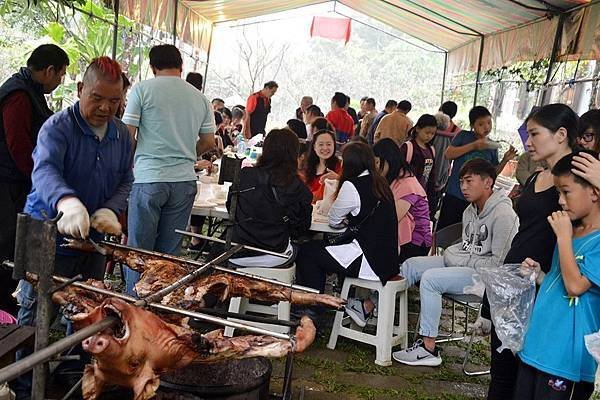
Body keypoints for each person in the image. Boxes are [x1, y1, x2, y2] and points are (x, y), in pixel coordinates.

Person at [14, 56, 133, 399]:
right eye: (97, 98)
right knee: (37, 311)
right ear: (81, 89)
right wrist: (67, 202)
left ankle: (71, 373)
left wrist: (111, 208)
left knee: (85, 310)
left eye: (115, 101)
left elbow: (126, 179)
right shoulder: (57, 127)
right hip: (48, 233)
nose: (105, 108)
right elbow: (44, 171)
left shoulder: (121, 136)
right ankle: (26, 385)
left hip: (92, 240)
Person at [485, 103, 579, 400]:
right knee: (501, 371)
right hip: (513, 279)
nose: (527, 142)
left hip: (542, 285)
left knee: (525, 380)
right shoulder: (537, 176)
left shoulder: (577, 179)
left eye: (535, 134)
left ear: (561, 134)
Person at [393, 158, 518, 367]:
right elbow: (464, 247)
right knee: (411, 264)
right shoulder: (470, 210)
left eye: (469, 181)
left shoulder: (504, 214)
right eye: (461, 182)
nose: (463, 187)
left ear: (488, 183)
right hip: (465, 265)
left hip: (485, 279)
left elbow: (499, 264)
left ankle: (428, 348)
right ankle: (373, 309)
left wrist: (459, 258)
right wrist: (458, 257)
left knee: (431, 279)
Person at [121, 44, 215, 295]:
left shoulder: (142, 90)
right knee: (169, 255)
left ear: (152, 67)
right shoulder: (199, 97)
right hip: (184, 181)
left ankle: (135, 306)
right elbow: (208, 141)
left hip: (148, 178)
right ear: (181, 66)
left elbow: (127, 136)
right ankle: (160, 308)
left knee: (139, 252)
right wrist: (186, 154)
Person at [514, 150, 600, 400]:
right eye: (557, 193)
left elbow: (575, 286)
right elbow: (560, 278)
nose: (561, 201)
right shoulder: (572, 231)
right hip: (538, 345)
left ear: (594, 192)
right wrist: (540, 276)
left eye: (566, 192)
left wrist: (563, 238)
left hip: (566, 361)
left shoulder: (588, 239)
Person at [295, 142, 400, 322]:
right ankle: (317, 305)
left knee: (307, 252)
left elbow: (334, 220)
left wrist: (346, 219)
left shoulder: (352, 185)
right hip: (387, 259)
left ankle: (313, 310)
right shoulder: (380, 182)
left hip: (368, 259)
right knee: (317, 250)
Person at [0, 44, 69, 316]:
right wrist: (40, 179)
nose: (59, 80)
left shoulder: (31, 92)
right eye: (60, 74)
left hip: (16, 180)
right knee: (6, 243)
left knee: (13, 242)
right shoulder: (18, 94)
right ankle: (3, 305)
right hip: (7, 181)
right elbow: (18, 144)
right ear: (49, 70)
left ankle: (5, 300)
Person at [227, 128, 312, 268]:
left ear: (265, 150)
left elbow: (231, 207)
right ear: (294, 154)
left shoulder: (245, 175)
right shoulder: (298, 187)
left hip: (237, 252)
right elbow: (303, 227)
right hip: (275, 255)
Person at [436, 106, 516, 231]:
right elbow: (448, 154)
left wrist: (505, 160)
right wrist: (474, 146)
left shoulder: (492, 146)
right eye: (481, 124)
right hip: (455, 194)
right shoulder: (463, 136)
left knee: (466, 233)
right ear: (473, 125)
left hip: (477, 200)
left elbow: (492, 174)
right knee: (444, 230)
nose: (486, 127)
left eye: (489, 122)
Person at [375, 138, 431, 262]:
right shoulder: (395, 178)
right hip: (407, 240)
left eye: (378, 163)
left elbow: (392, 217)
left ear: (389, 160)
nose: (375, 167)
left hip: (416, 244)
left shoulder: (407, 184)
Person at [429, 101, 461, 216]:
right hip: (443, 171)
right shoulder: (456, 131)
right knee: (433, 202)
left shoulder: (430, 125)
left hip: (426, 168)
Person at [400, 114, 437, 207]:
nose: (430, 136)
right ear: (418, 129)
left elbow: (431, 175)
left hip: (423, 194)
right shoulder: (408, 147)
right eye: (427, 132)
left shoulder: (431, 149)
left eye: (432, 134)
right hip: (407, 194)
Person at [300, 129, 341, 202]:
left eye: (328, 144)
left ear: (334, 146)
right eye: (321, 144)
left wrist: (338, 179)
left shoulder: (340, 166)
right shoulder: (307, 166)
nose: (325, 148)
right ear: (314, 147)